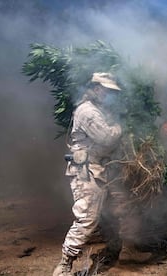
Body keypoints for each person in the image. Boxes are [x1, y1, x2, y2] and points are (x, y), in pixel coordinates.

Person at [53, 72, 128, 276]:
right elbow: (106, 137)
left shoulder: (98, 110)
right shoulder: (87, 111)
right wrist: (120, 127)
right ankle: (64, 265)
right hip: (86, 172)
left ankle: (113, 252)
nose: (110, 95)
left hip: (99, 169)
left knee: (112, 212)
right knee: (87, 217)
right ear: (96, 89)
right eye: (107, 90)